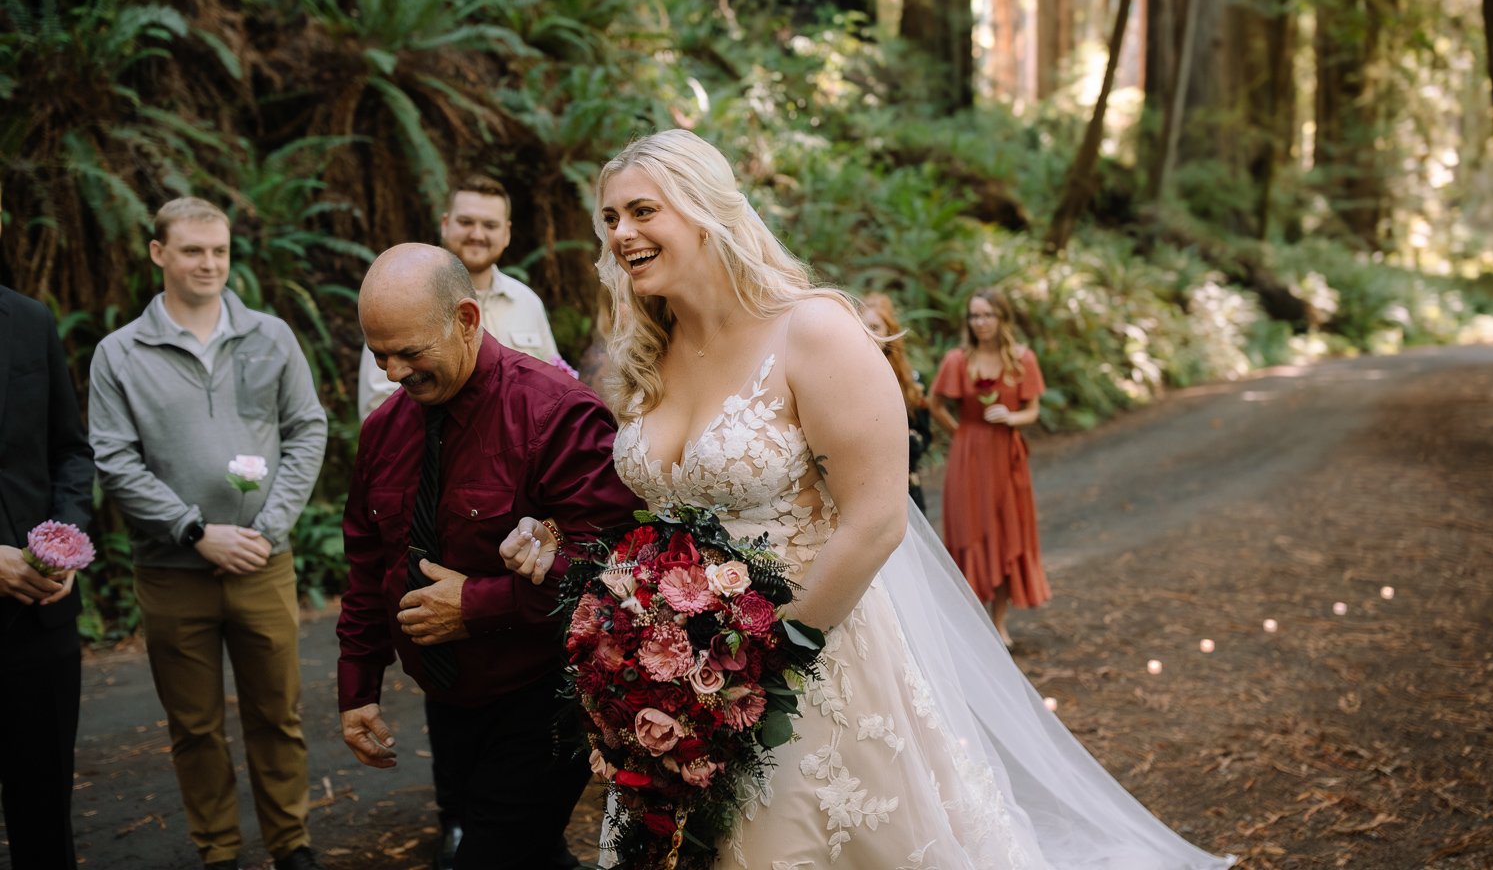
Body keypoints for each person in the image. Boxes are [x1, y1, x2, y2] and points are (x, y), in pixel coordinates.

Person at [505, 129, 1231, 869]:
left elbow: (877, 518)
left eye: (641, 211)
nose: (622, 233)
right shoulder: (644, 353)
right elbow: (637, 505)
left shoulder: (813, 331)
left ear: (705, 209)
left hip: (812, 667)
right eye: (610, 218)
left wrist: (756, 663)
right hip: (676, 682)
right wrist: (559, 540)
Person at [337, 244, 642, 870]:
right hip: (446, 696)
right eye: (378, 354)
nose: (392, 372)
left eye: (409, 352)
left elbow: (612, 566)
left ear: (467, 320)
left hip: (542, 693)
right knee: (529, 852)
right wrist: (357, 686)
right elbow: (369, 565)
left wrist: (475, 605)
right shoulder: (383, 430)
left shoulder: (557, 413)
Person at [89, 197, 329, 870]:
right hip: (172, 572)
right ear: (158, 253)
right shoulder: (120, 354)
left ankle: (291, 846)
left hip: (263, 561)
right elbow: (114, 457)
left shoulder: (271, 337)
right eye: (193, 250)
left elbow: (307, 429)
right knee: (194, 727)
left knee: (276, 715)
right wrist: (192, 530)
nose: (209, 263)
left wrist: (270, 526)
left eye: (219, 250)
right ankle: (219, 851)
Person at [0, 202, 94, 869]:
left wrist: (65, 538)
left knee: (44, 813)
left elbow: (71, 452)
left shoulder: (29, 321)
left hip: (43, 623)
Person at [357, 177, 559, 420]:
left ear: (506, 233)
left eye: (490, 225)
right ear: (445, 224)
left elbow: (553, 378)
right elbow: (380, 408)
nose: (477, 234)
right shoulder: (402, 298)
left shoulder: (527, 302)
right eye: (465, 222)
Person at [930, 287, 1048, 647]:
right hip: (968, 457)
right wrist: (962, 434)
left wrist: (1011, 417)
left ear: (1002, 318)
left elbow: (1033, 409)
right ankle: (972, 624)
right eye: (974, 316)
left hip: (1006, 455)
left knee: (1005, 532)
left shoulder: (1022, 358)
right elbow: (935, 404)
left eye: (987, 315)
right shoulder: (957, 360)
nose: (980, 323)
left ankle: (999, 624)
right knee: (970, 531)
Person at [860, 291, 933, 512]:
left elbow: (924, 435)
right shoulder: (844, 379)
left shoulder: (913, 382)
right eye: (862, 328)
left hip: (905, 486)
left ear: (889, 332)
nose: (868, 335)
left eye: (875, 328)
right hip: (860, 488)